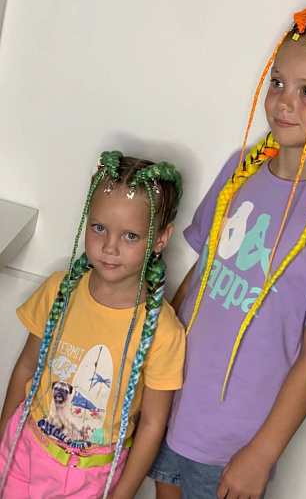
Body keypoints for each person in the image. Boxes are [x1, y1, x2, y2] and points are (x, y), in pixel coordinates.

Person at [148, 7, 306, 499]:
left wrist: (262, 453)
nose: (283, 102)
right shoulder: (240, 170)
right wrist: (147, 359)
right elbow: (199, 274)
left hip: (232, 446)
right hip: (166, 402)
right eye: (278, 82)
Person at [0, 152, 185, 499]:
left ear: (161, 239)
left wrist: (122, 494)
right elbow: (26, 365)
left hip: (92, 480)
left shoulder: (163, 332)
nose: (110, 247)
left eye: (130, 236)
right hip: (22, 456)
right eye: (99, 228)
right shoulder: (60, 289)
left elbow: (152, 424)